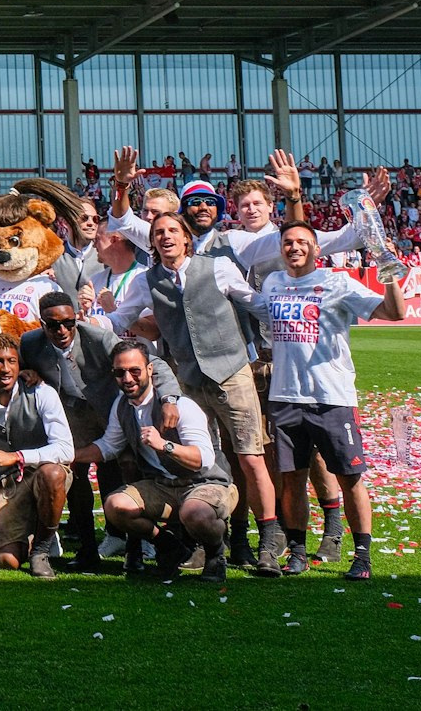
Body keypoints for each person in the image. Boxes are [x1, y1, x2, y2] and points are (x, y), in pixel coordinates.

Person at [103, 210, 286, 575]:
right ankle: (208, 540)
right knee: (200, 460)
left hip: (232, 373)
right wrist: (87, 325)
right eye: (158, 233)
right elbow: (120, 319)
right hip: (188, 380)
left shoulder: (218, 267)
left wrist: (293, 311)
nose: (165, 237)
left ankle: (266, 537)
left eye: (173, 231)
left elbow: (255, 304)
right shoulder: (147, 281)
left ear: (187, 237)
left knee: (249, 456)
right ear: (152, 242)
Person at [246, 222, 402, 580]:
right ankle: (297, 551)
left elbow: (394, 313)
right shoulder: (273, 284)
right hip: (285, 398)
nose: (295, 247)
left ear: (317, 249)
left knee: (349, 478)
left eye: (303, 242)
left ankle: (362, 555)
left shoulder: (338, 283)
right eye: (288, 242)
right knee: (293, 480)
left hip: (332, 398)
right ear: (280, 248)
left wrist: (390, 273)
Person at [18, 291, 181, 573]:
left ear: (76, 318)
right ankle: (87, 549)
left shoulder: (99, 338)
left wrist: (169, 400)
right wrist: (12, 374)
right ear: (41, 324)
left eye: (68, 322)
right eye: (53, 324)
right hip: (72, 420)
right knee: (75, 477)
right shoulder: (30, 343)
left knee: (122, 475)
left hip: (112, 414)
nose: (62, 330)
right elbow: (13, 365)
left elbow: (156, 365)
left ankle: (134, 548)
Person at [71, 340, 238, 582]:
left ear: (150, 370)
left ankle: (215, 554)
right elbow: (108, 446)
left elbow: (203, 460)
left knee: (195, 513)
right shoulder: (121, 405)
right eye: (120, 373)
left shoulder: (181, 405)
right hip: (162, 485)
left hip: (206, 482)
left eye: (134, 371)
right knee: (115, 506)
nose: (128, 379)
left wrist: (165, 445)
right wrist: (69, 456)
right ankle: (168, 546)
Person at [0, 332, 73, 578]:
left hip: (45, 470)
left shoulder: (41, 392)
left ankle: (41, 548)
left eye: (12, 361)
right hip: (9, 480)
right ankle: (35, 532)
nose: (6, 368)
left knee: (51, 474)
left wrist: (18, 457)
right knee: (6, 561)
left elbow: (66, 450)